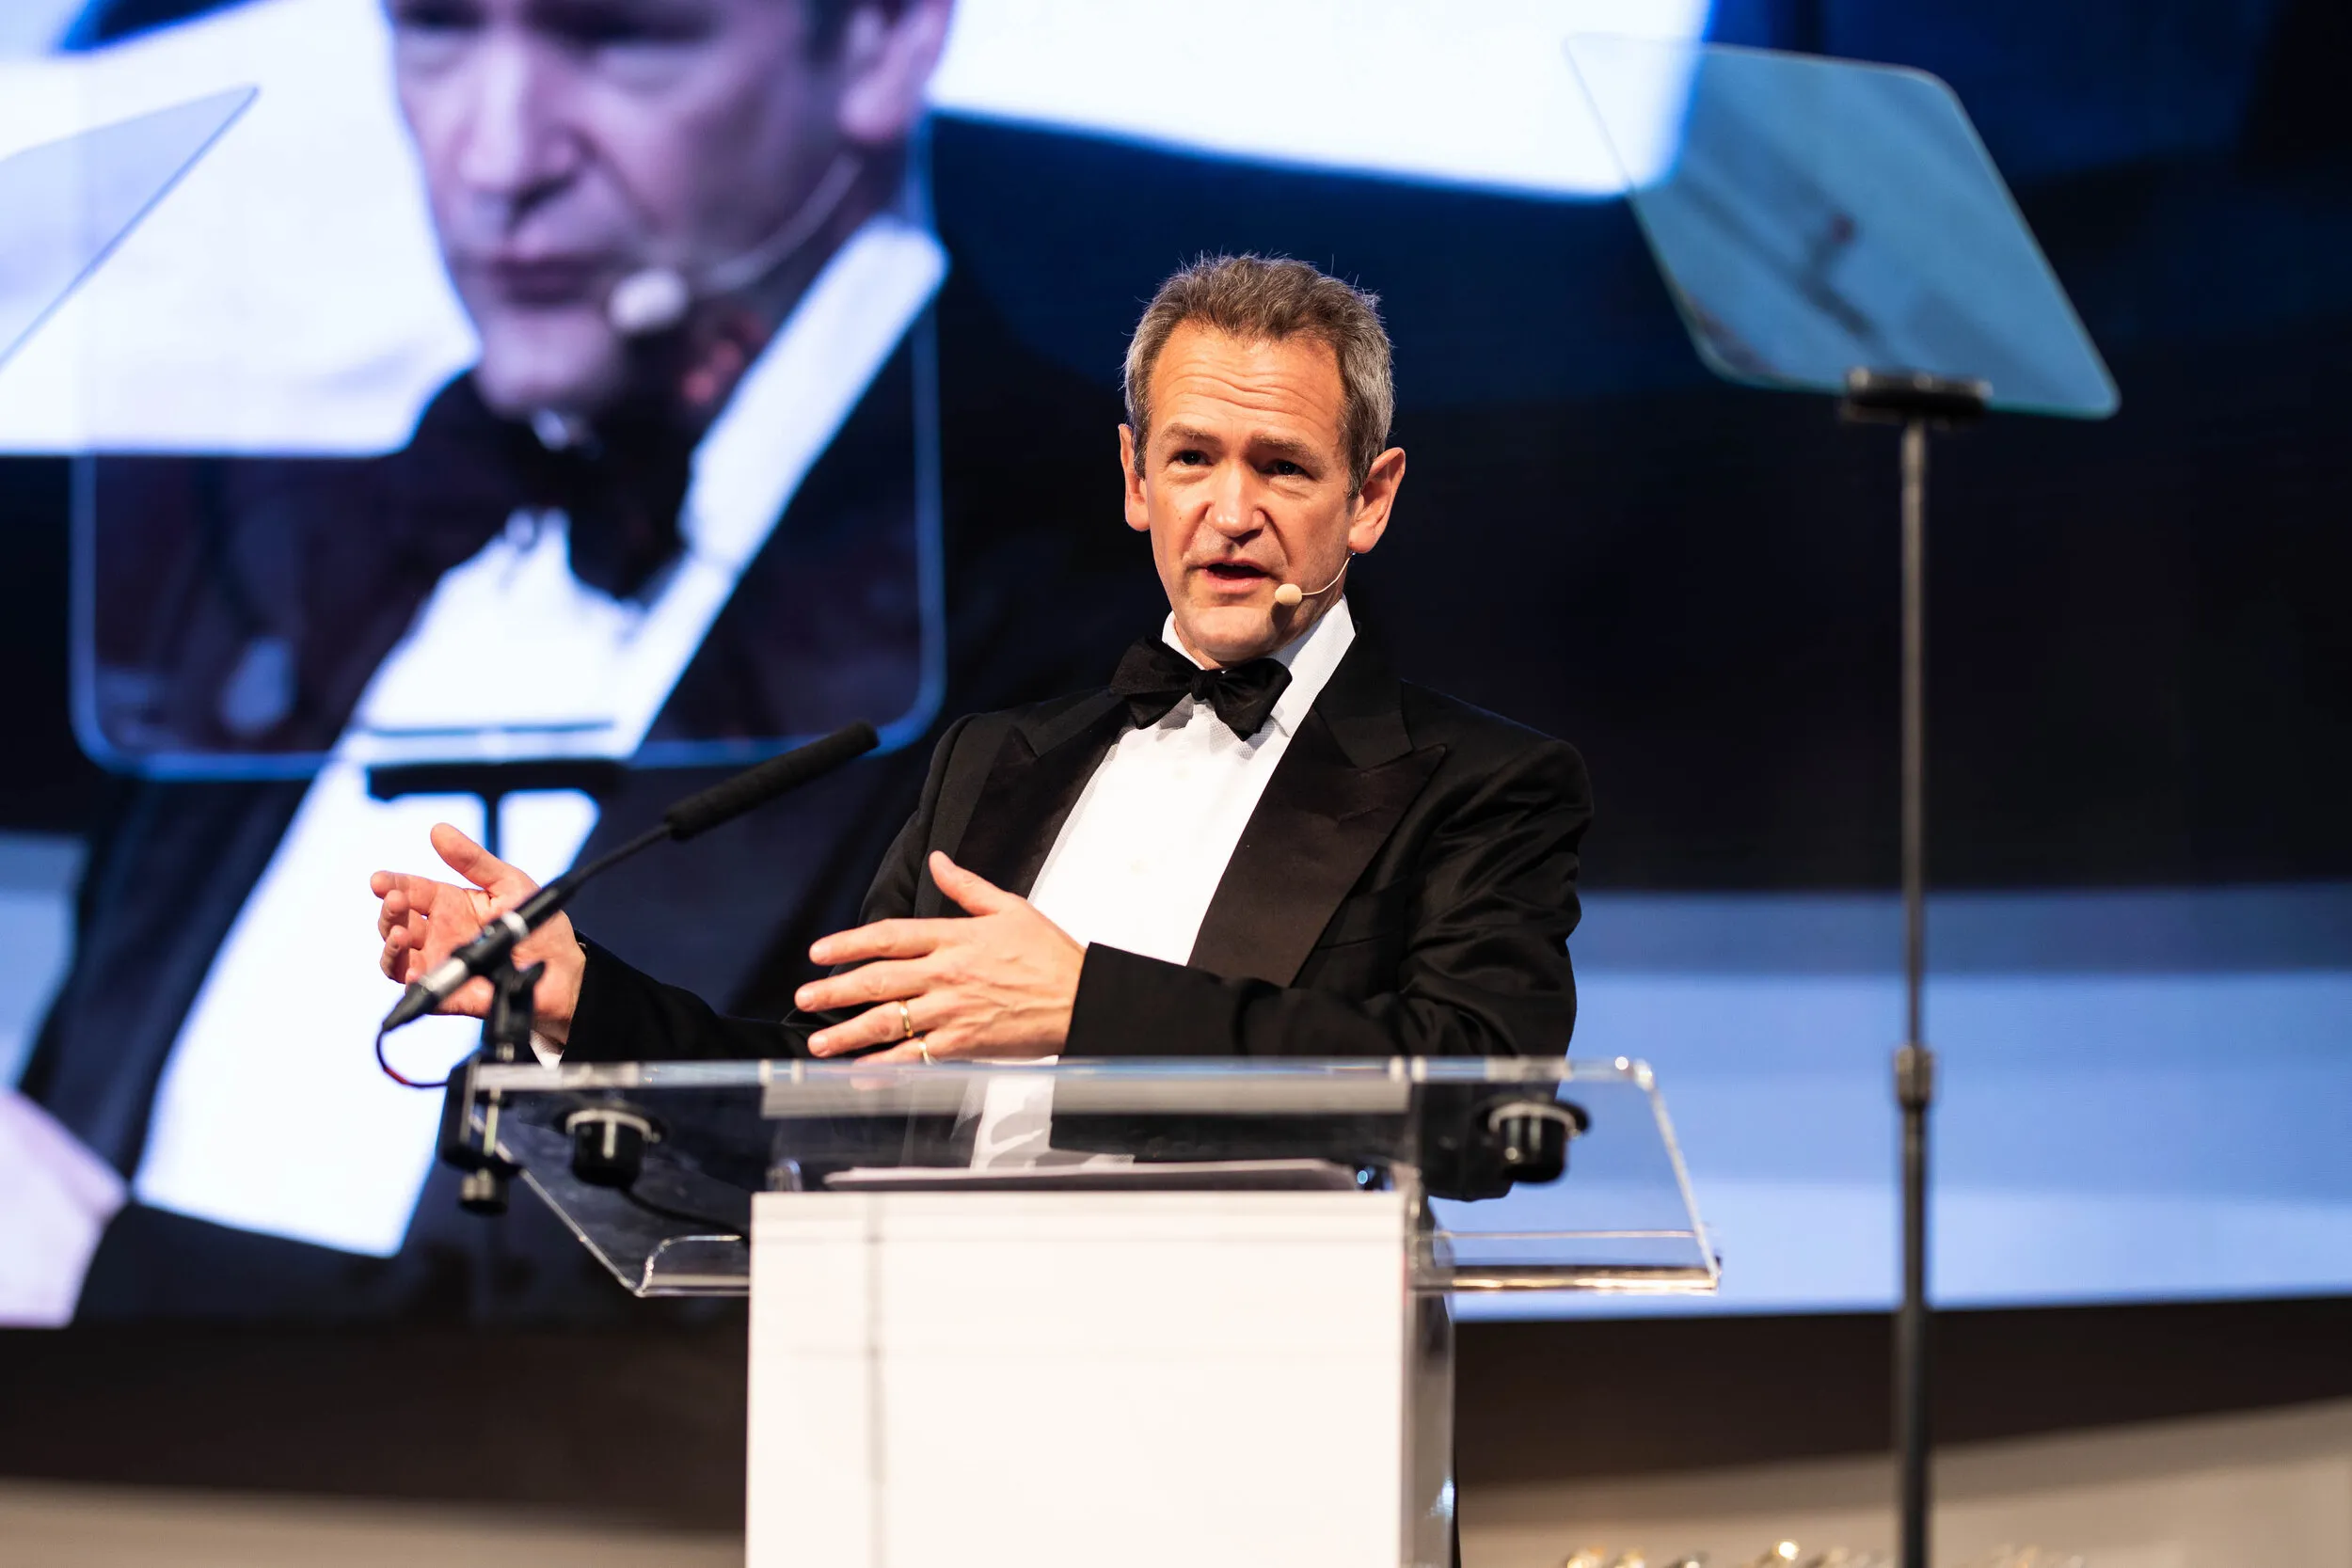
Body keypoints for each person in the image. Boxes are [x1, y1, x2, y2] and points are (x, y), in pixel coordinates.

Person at [10, 0, 991, 1320]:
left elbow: (891, 1285)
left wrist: (110, 1279)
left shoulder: (1098, 590)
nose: (496, 153)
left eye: (618, 35)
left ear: (883, 39)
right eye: (436, 27)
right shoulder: (310, 542)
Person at [373, 256, 1592, 1072]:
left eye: (1281, 466)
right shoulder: (992, 758)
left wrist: (1086, 1008)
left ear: (1369, 498)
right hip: (942, 1337)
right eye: (1191, 459)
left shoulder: (1480, 783)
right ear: (1135, 479)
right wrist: (579, 996)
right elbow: (821, 1076)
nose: (1230, 513)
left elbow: (1479, 1085)